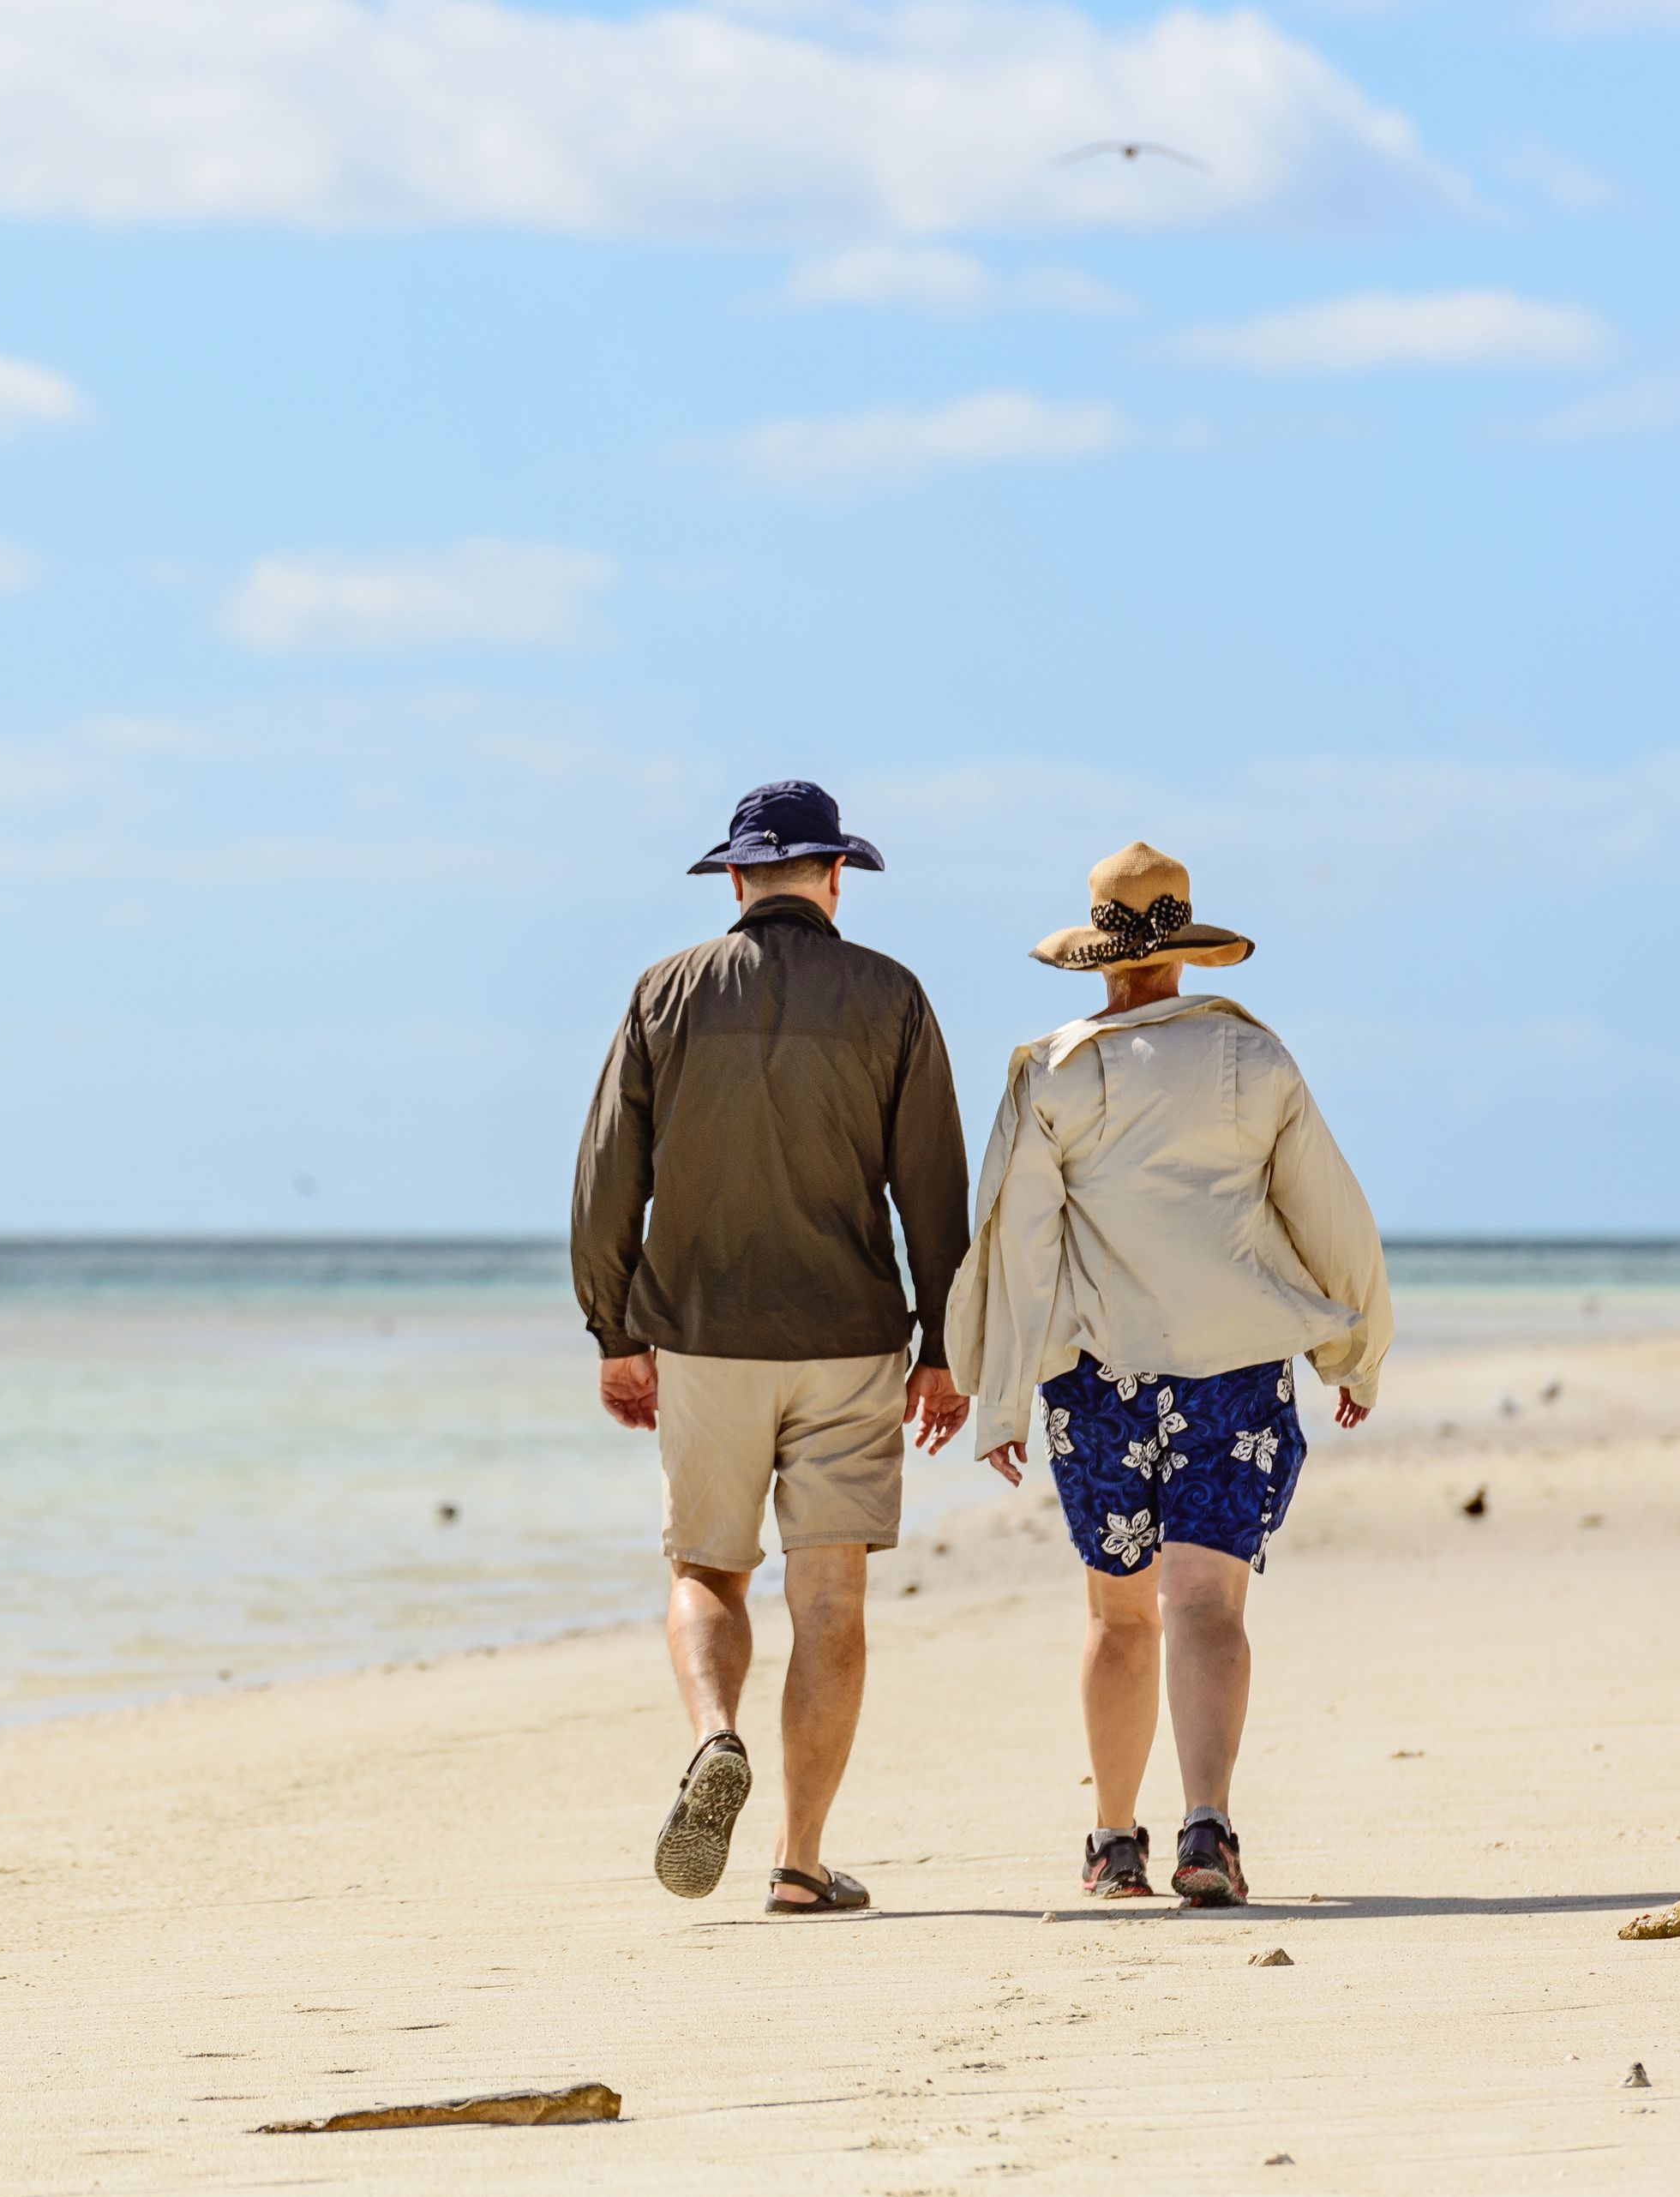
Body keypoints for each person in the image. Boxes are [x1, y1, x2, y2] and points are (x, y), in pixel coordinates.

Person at [944, 843, 1390, 1908]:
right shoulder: (1256, 1059)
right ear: (1184, 950)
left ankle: (1112, 1843)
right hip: (1234, 1368)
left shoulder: (1052, 1071)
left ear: (1098, 958)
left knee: (1119, 1616)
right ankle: (1208, 1829)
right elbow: (1328, 1211)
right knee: (1206, 1605)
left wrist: (1001, 1397)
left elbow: (1021, 1247)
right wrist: (1355, 1346)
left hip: (1102, 1377)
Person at [572, 780, 971, 1914]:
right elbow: (932, 1190)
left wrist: (615, 1330)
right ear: (837, 876)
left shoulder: (663, 991)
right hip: (850, 1341)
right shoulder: (892, 993)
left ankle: (715, 1734)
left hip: (703, 1337)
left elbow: (608, 1180)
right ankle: (800, 1863)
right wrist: (944, 1344)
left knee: (707, 1569)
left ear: (738, 878)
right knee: (830, 1597)